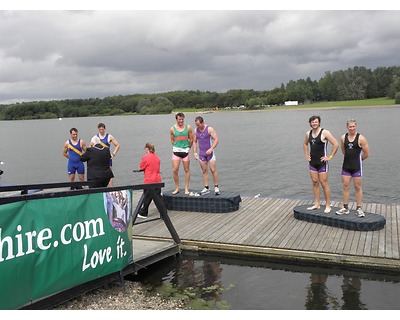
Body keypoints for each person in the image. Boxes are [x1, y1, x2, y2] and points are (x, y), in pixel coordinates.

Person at [303, 115, 339, 213]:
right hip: (312, 162)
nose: (314, 123)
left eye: (316, 122)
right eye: (312, 122)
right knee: (315, 182)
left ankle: (328, 205)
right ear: (310, 123)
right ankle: (317, 204)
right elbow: (305, 144)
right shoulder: (308, 133)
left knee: (323, 183)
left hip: (322, 162)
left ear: (319, 122)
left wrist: (330, 156)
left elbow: (336, 144)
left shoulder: (325, 132)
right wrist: (306, 155)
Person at [336, 119, 369, 217]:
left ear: (356, 126)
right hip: (346, 166)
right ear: (347, 127)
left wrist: (359, 160)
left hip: (357, 167)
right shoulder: (343, 137)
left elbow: (367, 153)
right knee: (345, 186)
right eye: (350, 127)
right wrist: (349, 158)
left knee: (357, 187)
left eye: (353, 126)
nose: (352, 128)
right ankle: (345, 207)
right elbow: (343, 150)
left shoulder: (361, 138)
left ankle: (359, 208)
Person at [192, 116, 220, 195]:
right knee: (204, 170)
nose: (198, 126)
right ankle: (206, 187)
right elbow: (194, 141)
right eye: (196, 125)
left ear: (202, 123)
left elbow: (216, 139)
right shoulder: (195, 131)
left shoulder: (209, 129)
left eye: (199, 125)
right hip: (202, 153)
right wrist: (194, 152)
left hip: (210, 153)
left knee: (213, 169)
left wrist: (211, 149)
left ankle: (216, 187)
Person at [137, 142, 163, 218]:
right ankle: (163, 213)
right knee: (157, 197)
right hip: (157, 180)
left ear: (147, 148)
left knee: (147, 197)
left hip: (149, 181)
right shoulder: (157, 157)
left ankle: (143, 212)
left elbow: (141, 166)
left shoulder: (146, 157)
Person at [170, 112, 193, 195]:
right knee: (175, 169)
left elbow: (191, 139)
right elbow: (172, 140)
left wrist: (188, 147)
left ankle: (186, 188)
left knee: (186, 169)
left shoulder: (188, 127)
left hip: (185, 150)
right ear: (176, 119)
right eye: (179, 119)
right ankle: (177, 187)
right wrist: (177, 146)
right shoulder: (172, 128)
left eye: (182, 119)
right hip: (176, 150)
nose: (181, 121)